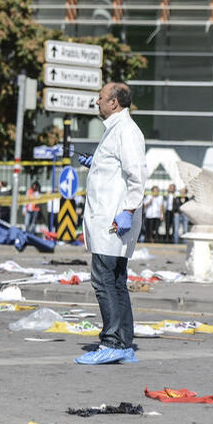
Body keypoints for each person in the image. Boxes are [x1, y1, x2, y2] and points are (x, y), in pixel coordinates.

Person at [74, 81, 146, 366]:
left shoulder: (126, 131)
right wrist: (97, 162)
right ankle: (124, 343)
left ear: (114, 103)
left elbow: (136, 173)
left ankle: (112, 341)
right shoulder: (116, 130)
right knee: (116, 281)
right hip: (112, 219)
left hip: (114, 220)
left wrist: (128, 209)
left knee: (104, 280)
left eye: (101, 98)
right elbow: (117, 167)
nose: (97, 102)